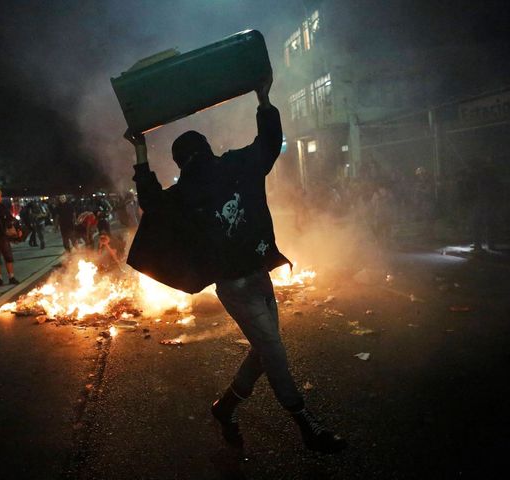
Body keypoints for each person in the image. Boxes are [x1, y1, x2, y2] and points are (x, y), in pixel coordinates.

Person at [126, 75, 346, 453]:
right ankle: (306, 426)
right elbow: (268, 145)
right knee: (273, 350)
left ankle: (225, 408)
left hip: (249, 279)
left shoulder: (189, 191)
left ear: (180, 160)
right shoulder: (233, 168)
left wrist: (141, 151)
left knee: (264, 352)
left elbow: (150, 201)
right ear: (206, 149)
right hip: (244, 284)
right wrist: (263, 99)